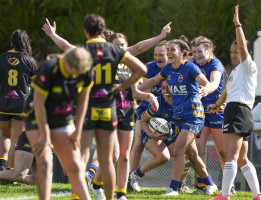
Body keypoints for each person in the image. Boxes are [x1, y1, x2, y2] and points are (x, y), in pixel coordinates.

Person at [43, 15, 148, 200]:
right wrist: (122, 87)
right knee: (107, 161)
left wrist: (53, 35)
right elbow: (142, 70)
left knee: (82, 156)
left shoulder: (82, 50)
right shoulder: (114, 50)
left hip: (87, 108)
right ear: (103, 30)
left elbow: (65, 46)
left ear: (85, 31)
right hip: (108, 108)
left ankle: (77, 195)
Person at [87, 31, 169, 200]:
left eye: (123, 45)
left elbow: (134, 92)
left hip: (126, 113)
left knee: (124, 156)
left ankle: (121, 194)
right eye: (116, 45)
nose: (120, 48)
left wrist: (148, 96)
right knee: (113, 156)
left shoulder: (128, 65)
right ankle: (96, 185)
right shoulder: (104, 63)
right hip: (108, 113)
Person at [139, 35, 218, 196]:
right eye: (168, 49)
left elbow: (206, 83)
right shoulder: (168, 69)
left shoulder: (190, 68)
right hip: (179, 117)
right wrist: (134, 89)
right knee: (193, 155)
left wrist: (207, 89)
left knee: (179, 150)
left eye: (172, 49)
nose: (169, 52)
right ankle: (210, 185)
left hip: (194, 115)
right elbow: (153, 80)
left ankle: (174, 188)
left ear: (182, 53)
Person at [208, 5, 261, 200]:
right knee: (242, 158)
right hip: (243, 112)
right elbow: (225, 92)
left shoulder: (248, 66)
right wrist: (215, 105)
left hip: (237, 111)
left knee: (230, 156)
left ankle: (224, 195)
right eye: (231, 52)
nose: (234, 54)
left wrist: (237, 24)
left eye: (236, 51)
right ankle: (257, 196)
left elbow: (242, 46)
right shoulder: (236, 73)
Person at [23, 47, 93, 200]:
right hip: (37, 116)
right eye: (72, 70)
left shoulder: (86, 72)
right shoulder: (48, 68)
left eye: (77, 72)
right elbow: (39, 103)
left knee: (74, 165)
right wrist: (45, 134)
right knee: (45, 161)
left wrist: (78, 130)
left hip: (63, 117)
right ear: (65, 61)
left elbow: (82, 102)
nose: (74, 75)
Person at [129, 79, 193, 194]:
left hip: (169, 135)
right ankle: (135, 175)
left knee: (188, 157)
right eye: (163, 88)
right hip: (150, 133)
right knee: (163, 157)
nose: (165, 91)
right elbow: (143, 122)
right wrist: (150, 134)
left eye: (168, 87)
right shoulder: (157, 103)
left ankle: (179, 186)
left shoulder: (182, 103)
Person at [129, 40, 170, 192]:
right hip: (147, 111)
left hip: (168, 114)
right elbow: (138, 89)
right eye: (156, 54)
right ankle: (130, 179)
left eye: (162, 54)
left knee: (182, 150)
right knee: (138, 143)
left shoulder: (174, 68)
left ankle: (181, 183)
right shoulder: (148, 68)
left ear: (169, 55)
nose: (158, 57)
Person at [190, 36, 229, 194]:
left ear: (208, 51)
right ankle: (203, 184)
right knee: (198, 149)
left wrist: (207, 89)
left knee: (222, 151)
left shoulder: (215, 63)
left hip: (216, 109)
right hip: (200, 110)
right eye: (194, 52)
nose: (197, 55)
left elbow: (214, 82)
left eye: (200, 51)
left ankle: (228, 186)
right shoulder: (191, 62)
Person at [0, 29, 38, 170]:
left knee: (5, 136)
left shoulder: (1, 58)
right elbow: (36, 87)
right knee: (16, 138)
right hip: (20, 105)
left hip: (3, 104)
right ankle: (9, 171)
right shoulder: (30, 62)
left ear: (12, 43)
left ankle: (1, 166)